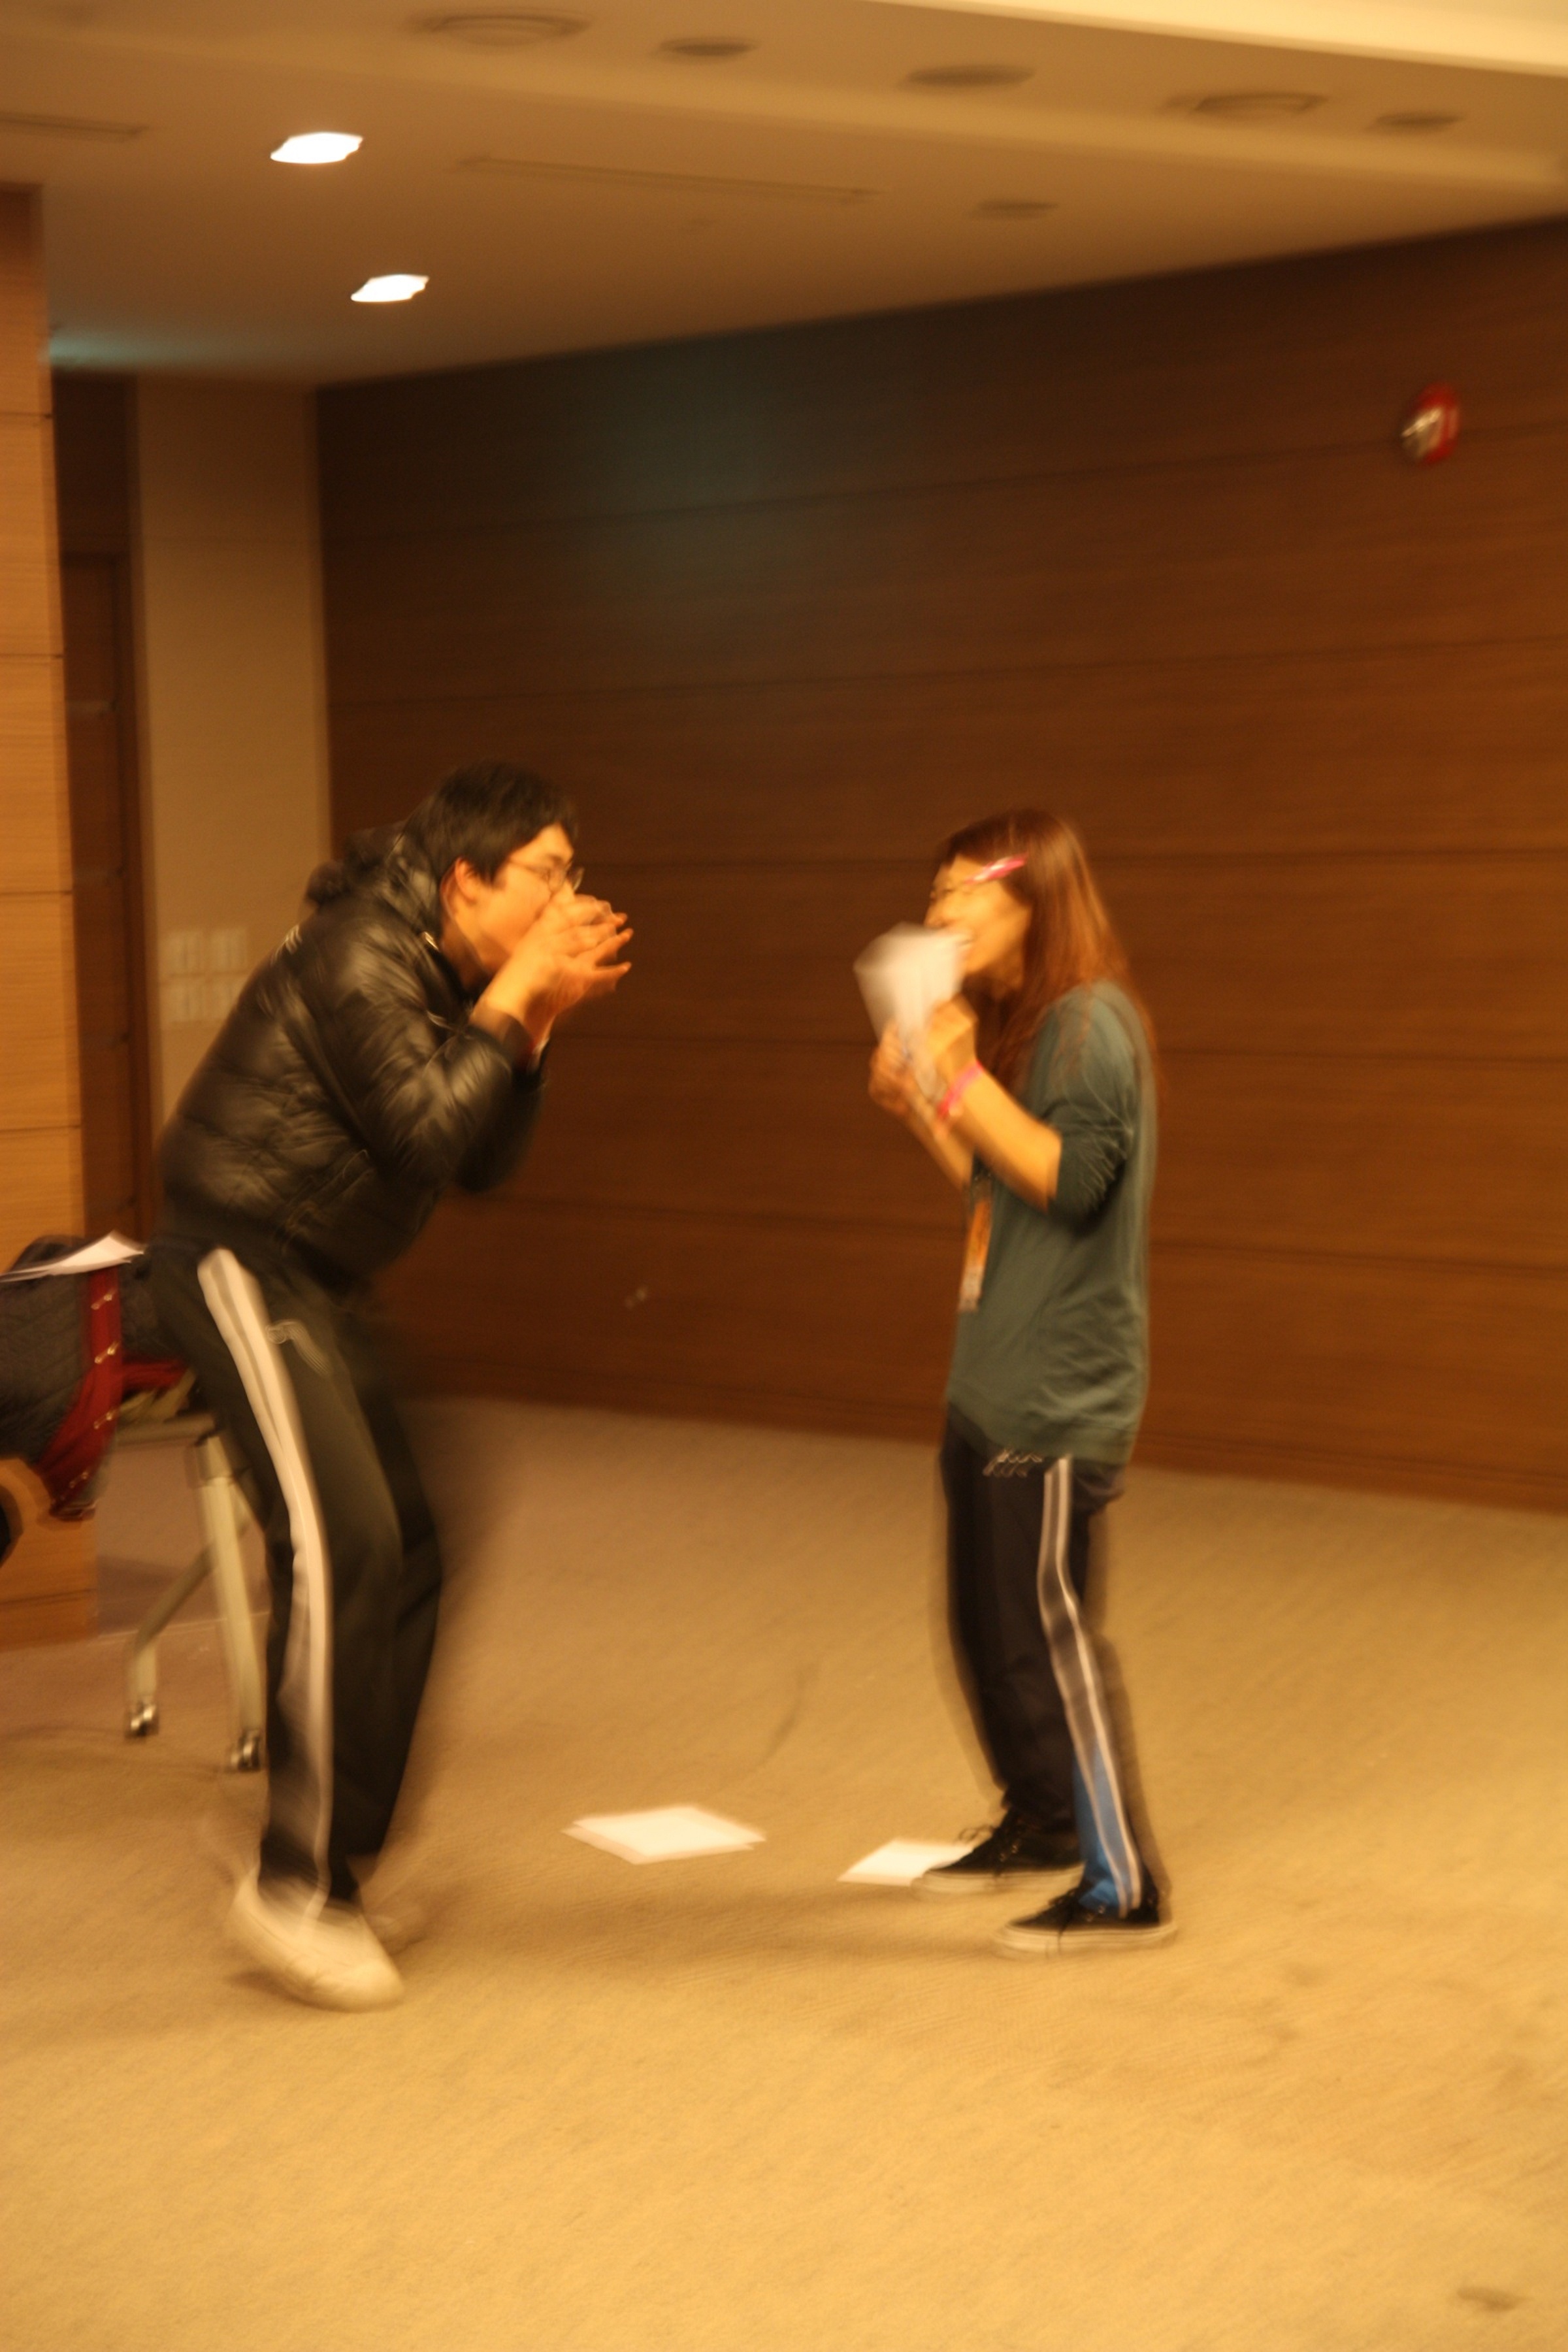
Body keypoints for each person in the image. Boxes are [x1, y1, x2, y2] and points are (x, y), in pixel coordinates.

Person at [148, 761, 630, 2009]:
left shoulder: (452, 968)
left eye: (571, 876)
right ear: (467, 878)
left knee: (415, 1537)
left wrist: (535, 1024)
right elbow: (422, 1136)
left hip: (321, 1275)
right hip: (237, 1257)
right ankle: (292, 1884)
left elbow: (480, 1164)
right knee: (342, 1540)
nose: (566, 898)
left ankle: (337, 1863)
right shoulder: (362, 949)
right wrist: (515, 997)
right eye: (546, 876)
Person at [868, 809, 1173, 1954]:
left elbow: (1073, 1183)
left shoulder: (1091, 1022)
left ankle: (1126, 1885)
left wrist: (953, 1075)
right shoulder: (1029, 1029)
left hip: (1057, 1392)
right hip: (992, 1374)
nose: (941, 914)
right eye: (936, 892)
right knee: (986, 1632)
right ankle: (1044, 1822)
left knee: (1050, 1641)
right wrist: (927, 1105)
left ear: (1033, 901)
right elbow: (997, 1191)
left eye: (965, 891)